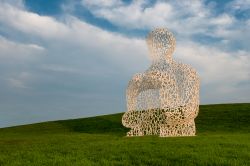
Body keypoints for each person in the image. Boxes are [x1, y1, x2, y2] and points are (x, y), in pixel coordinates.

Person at [122, 28, 200, 137]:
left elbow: (191, 110)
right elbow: (131, 116)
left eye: (152, 46)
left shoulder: (184, 71)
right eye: (149, 46)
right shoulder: (146, 75)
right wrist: (132, 95)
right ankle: (144, 128)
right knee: (138, 81)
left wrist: (165, 84)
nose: (149, 51)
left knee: (163, 80)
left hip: (180, 126)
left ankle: (156, 126)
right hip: (151, 125)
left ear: (166, 47)